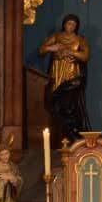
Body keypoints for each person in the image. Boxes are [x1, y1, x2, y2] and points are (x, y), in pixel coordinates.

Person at [39, 14, 91, 143]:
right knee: (55, 103)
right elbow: (41, 50)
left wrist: (72, 52)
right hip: (57, 74)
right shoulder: (57, 37)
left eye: (74, 24)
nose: (71, 26)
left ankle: (72, 135)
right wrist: (52, 48)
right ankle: (59, 136)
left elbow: (85, 56)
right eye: (69, 23)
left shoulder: (79, 39)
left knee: (69, 105)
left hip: (71, 75)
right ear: (64, 24)